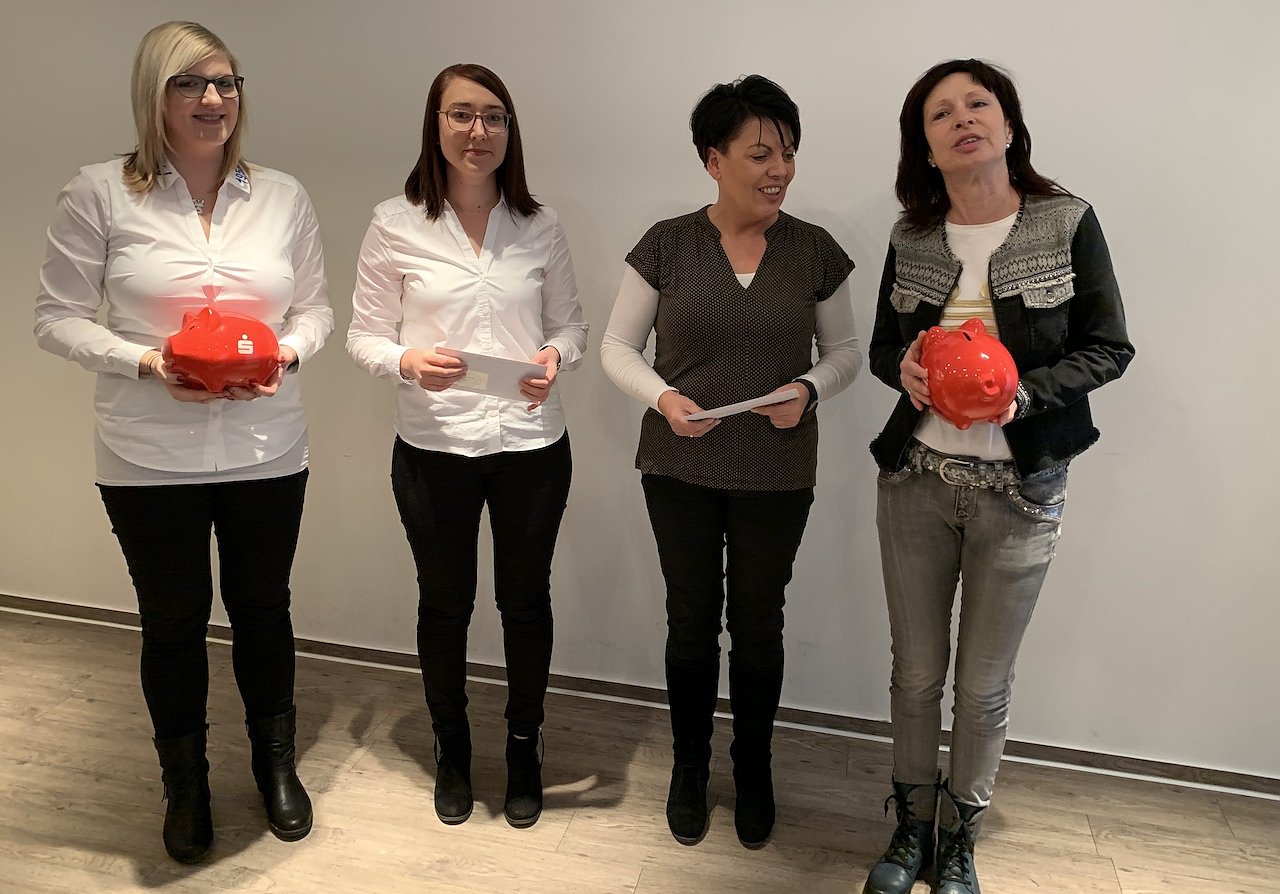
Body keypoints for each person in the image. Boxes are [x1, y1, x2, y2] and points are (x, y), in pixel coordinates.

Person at [33, 21, 333, 863]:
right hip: (145, 453)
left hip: (268, 446)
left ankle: (275, 766)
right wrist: (144, 361)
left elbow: (316, 309)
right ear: (153, 95)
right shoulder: (98, 192)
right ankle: (186, 785)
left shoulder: (283, 196)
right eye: (190, 84)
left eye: (226, 83)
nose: (212, 99)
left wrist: (285, 354)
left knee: (263, 610)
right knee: (172, 622)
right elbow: (54, 318)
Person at [862, 59, 1134, 894]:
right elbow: (882, 349)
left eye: (978, 103)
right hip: (915, 480)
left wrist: (1024, 396)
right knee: (916, 675)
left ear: (1009, 125)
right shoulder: (912, 235)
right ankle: (911, 827)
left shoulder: (1066, 221)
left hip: (1022, 492)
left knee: (982, 688)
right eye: (941, 113)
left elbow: (1108, 347)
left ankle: (961, 838)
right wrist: (904, 370)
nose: (963, 119)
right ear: (926, 146)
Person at [601, 75, 861, 849]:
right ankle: (689, 766)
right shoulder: (666, 244)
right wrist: (663, 399)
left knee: (758, 622)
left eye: (788, 153)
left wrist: (808, 390)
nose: (779, 170)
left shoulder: (814, 251)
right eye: (760, 154)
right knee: (689, 620)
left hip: (777, 471)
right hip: (677, 468)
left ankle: (753, 767)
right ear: (713, 160)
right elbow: (617, 348)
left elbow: (845, 352)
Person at [347, 63, 587, 830]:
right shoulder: (394, 222)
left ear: (510, 130)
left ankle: (523, 747)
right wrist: (406, 360)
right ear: (435, 125)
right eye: (461, 115)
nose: (478, 131)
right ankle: (451, 747)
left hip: (530, 444)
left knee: (525, 602)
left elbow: (570, 326)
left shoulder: (539, 224)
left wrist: (556, 357)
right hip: (434, 445)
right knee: (445, 604)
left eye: (493, 116)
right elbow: (363, 335)